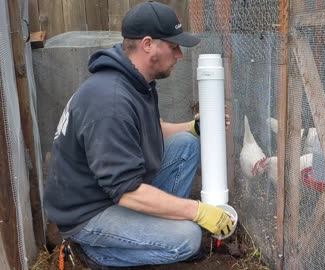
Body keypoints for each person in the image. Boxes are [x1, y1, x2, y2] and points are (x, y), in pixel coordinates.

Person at [43, 1, 233, 268]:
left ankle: (155, 228)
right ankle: (92, 254)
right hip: (89, 214)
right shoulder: (110, 101)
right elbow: (126, 191)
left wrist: (192, 127)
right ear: (147, 45)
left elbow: (151, 129)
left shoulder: (134, 82)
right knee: (188, 239)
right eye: (173, 45)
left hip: (109, 192)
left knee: (187, 144)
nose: (179, 55)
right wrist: (197, 211)